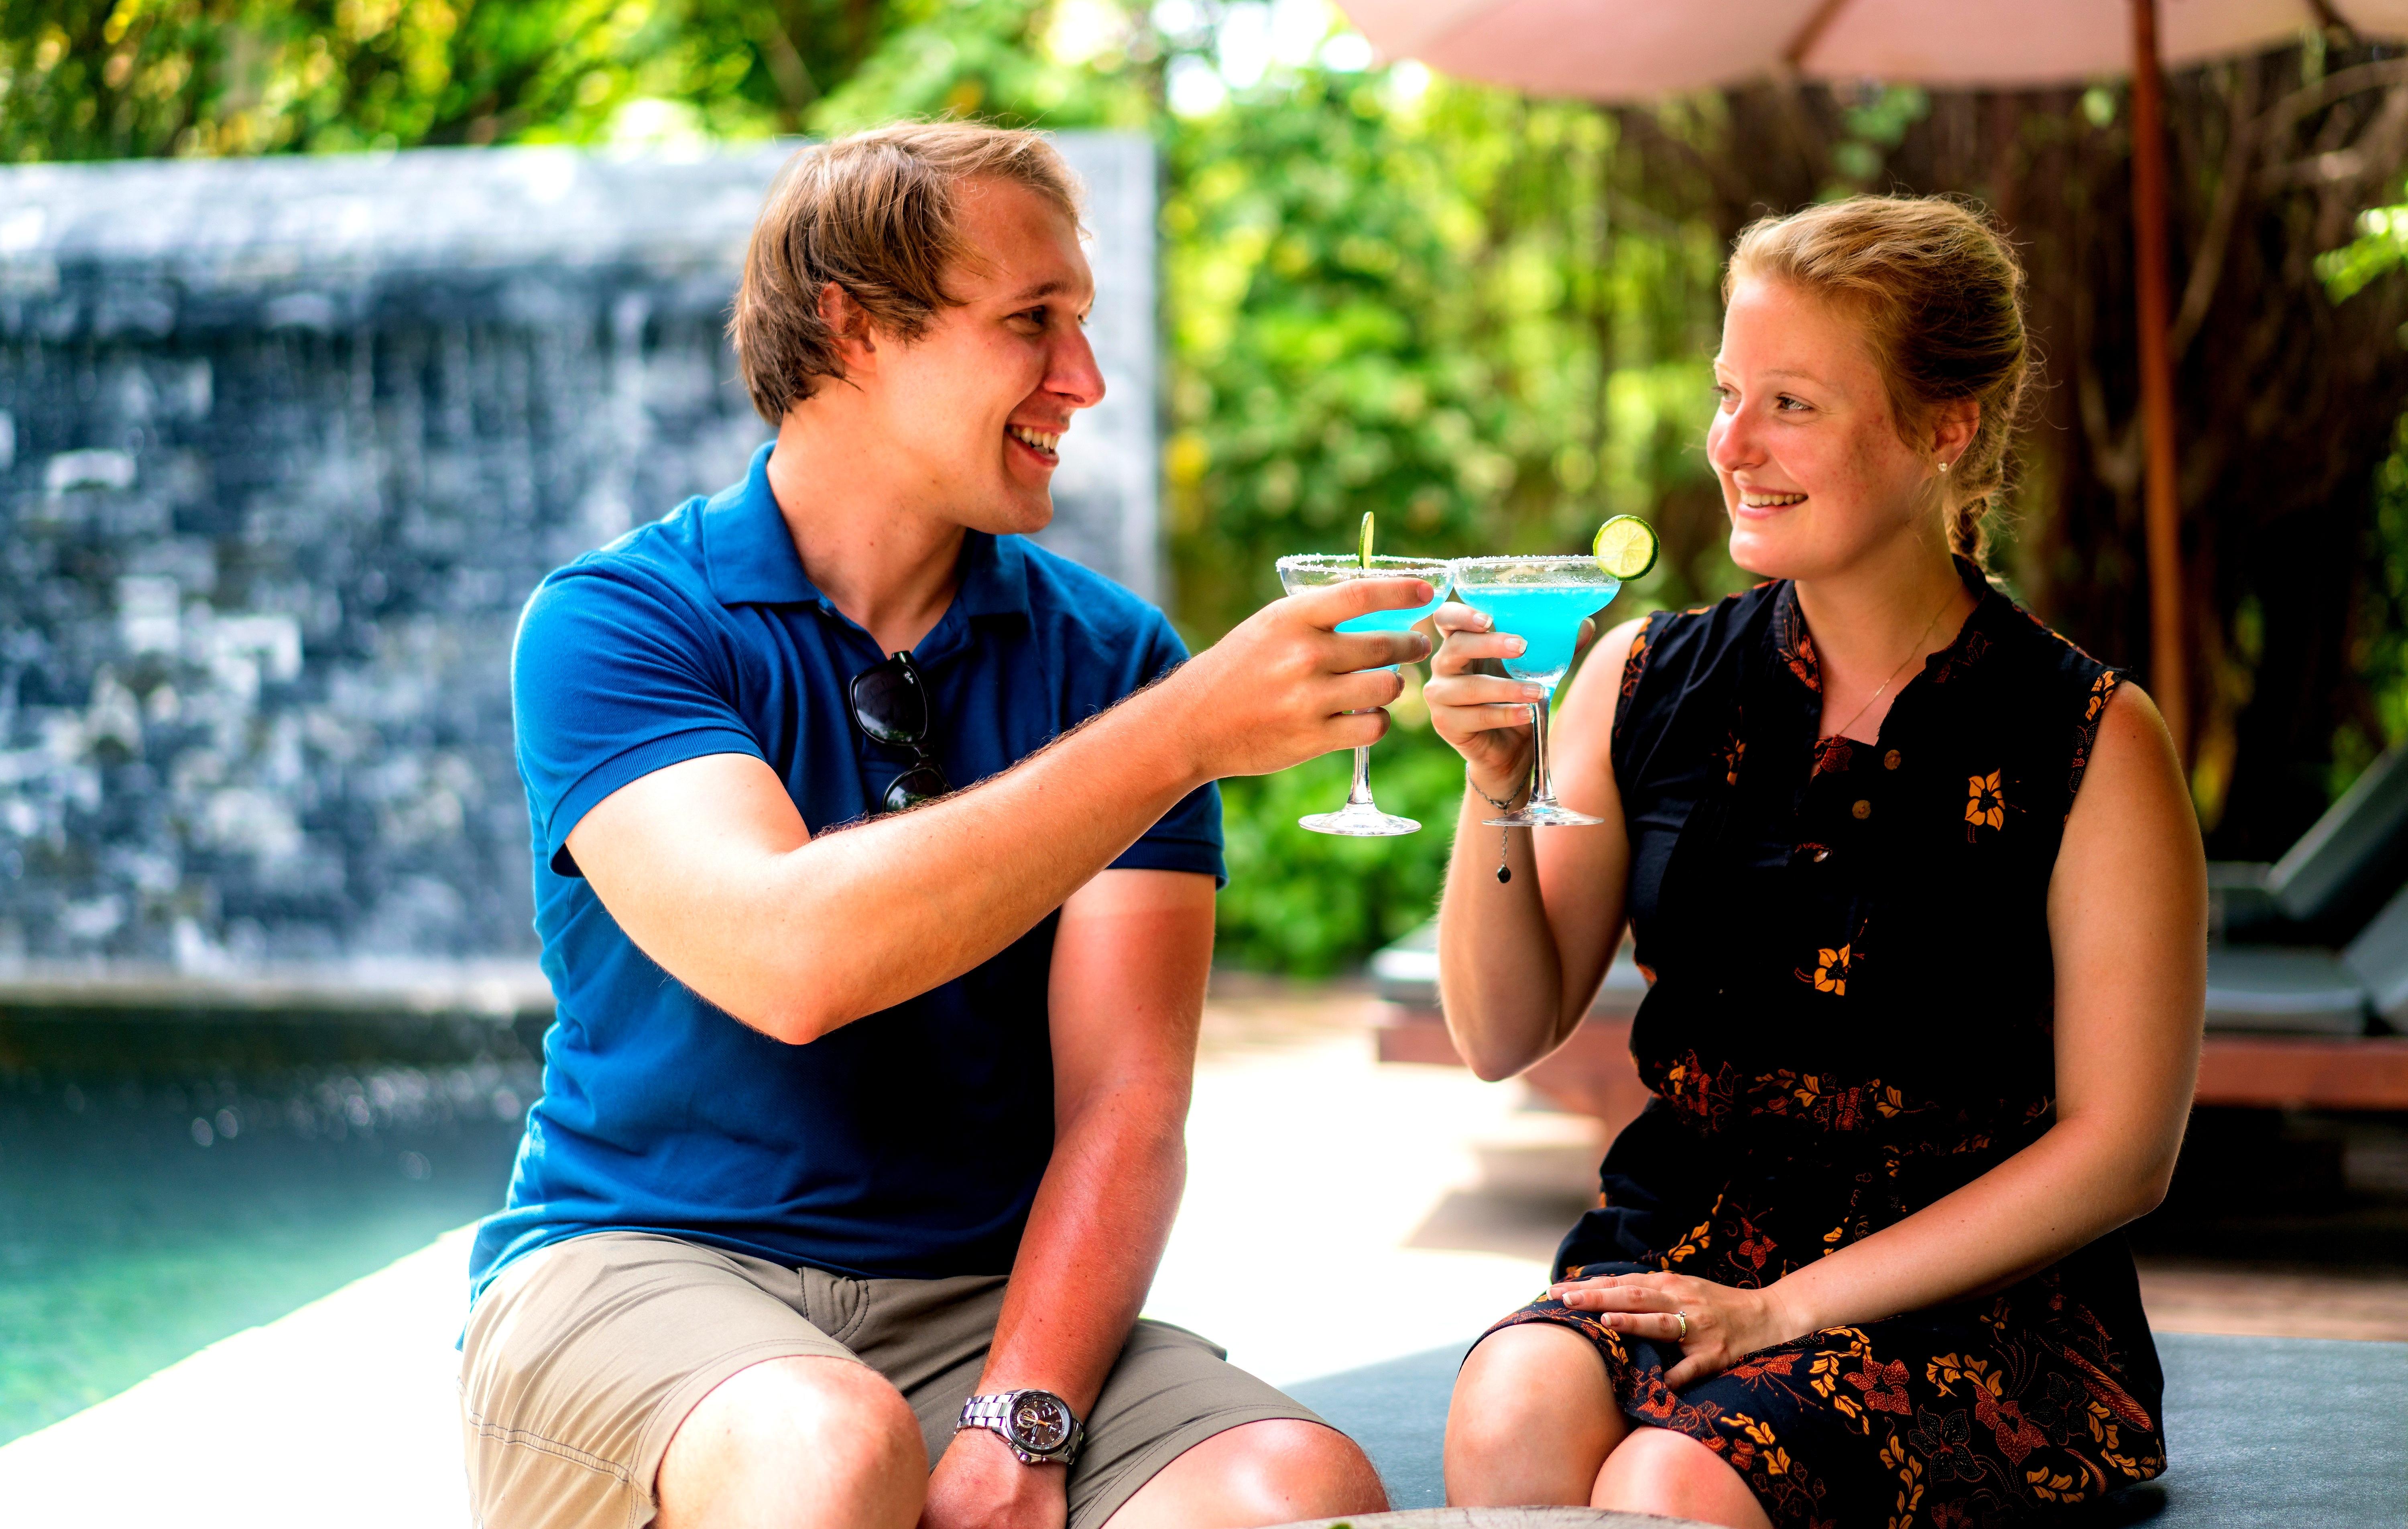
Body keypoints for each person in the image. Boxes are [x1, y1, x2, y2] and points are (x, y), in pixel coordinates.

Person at [456, 122, 1408, 1529]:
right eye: (1033, 323)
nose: (1082, 381)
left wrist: (1022, 1419)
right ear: (852, 326)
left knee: (1295, 1487)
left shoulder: (1111, 657)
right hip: (641, 1271)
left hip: (981, 1305)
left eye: (1081, 325)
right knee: (827, 1455)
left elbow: (1126, 1106)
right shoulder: (615, 623)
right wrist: (1185, 734)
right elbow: (793, 961)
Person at [1425, 195, 2205, 1529]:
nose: (1732, 444)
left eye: (1792, 402)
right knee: (1510, 1420)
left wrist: (1787, 1310)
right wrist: (1497, 791)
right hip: (1682, 1239)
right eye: (1729, 392)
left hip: (1967, 1297)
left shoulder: (2090, 738)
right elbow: (1503, 1029)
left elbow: (2124, 1151)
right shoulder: (1644, 677)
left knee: (1673, 1480)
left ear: (1945, 430)